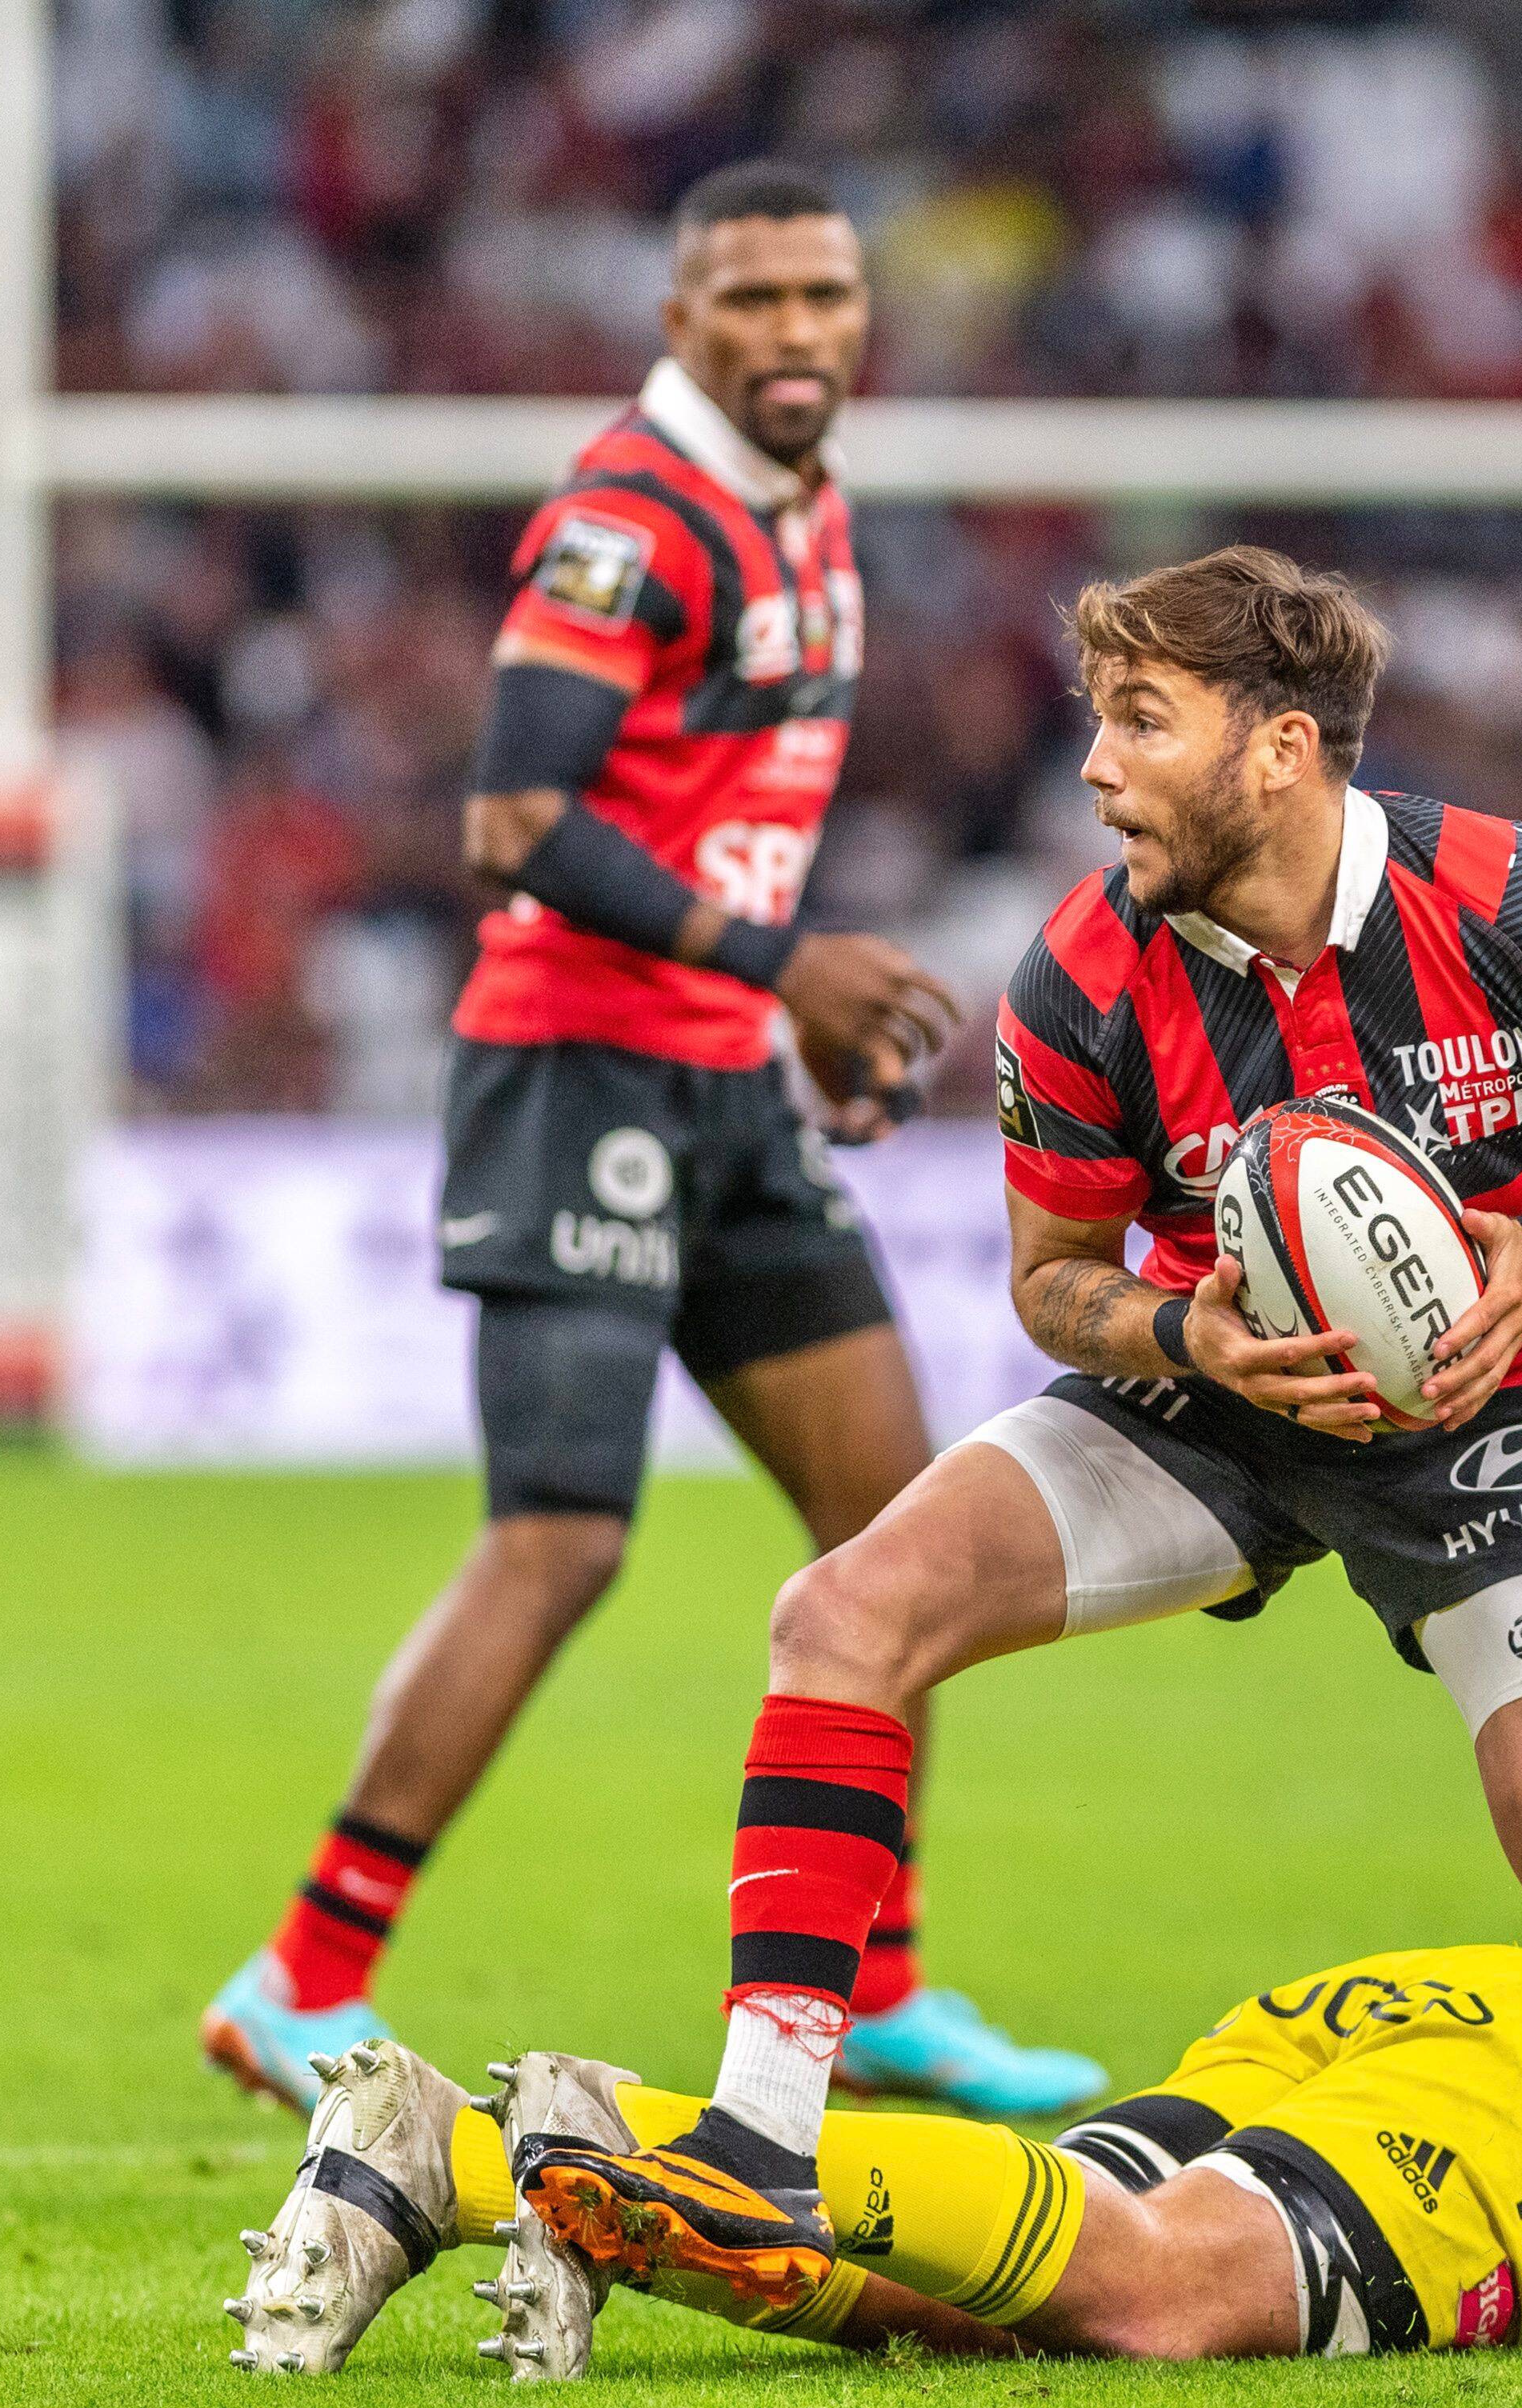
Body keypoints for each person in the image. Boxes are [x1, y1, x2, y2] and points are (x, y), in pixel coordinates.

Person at [485, 546, 1522, 2374]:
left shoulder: (1517, 897)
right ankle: (762, 2141)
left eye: (1140, 721)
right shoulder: (1085, 973)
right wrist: (1192, 1336)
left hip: (1484, 1418)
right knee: (844, 1612)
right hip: (1218, 1394)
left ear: (1277, 750)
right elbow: (1052, 1284)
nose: (1095, 766)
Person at [197, 162, 1094, 2121]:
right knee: (561, 1538)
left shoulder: (813, 508)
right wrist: (787, 966)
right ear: (679, 317)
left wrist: (791, 1026)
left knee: (894, 1529)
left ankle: (874, 1991)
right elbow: (517, 824)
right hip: (577, 1078)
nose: (794, 333)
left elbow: (721, 809)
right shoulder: (630, 523)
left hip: (730, 1090)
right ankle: (301, 1973)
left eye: (824, 297)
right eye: (753, 299)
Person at [222, 1822, 1522, 2377]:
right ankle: (552, 2137)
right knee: (1161, 2293)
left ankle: (474, 2158)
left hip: (1415, 2002)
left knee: (1013, 2301)